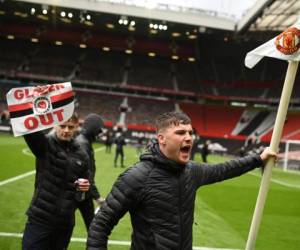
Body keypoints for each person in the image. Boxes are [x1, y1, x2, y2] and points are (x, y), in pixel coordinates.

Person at [87, 111, 276, 250]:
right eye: (180, 133)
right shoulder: (137, 177)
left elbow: (224, 170)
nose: (188, 138)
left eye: (190, 133)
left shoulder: (191, 171)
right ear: (161, 139)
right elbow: (101, 224)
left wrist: (258, 158)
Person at [22, 113, 91, 250]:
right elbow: (29, 129)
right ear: (55, 125)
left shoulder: (82, 154)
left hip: (65, 224)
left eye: (70, 127)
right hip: (40, 220)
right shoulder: (45, 145)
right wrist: (35, 104)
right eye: (62, 126)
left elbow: (83, 197)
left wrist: (84, 188)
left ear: (77, 127)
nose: (66, 130)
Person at [76, 113, 106, 231]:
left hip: (84, 192)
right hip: (78, 192)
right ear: (93, 129)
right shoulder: (82, 144)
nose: (99, 134)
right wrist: (97, 196)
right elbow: (86, 174)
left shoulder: (83, 142)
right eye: (98, 130)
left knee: (93, 227)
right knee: (64, 227)